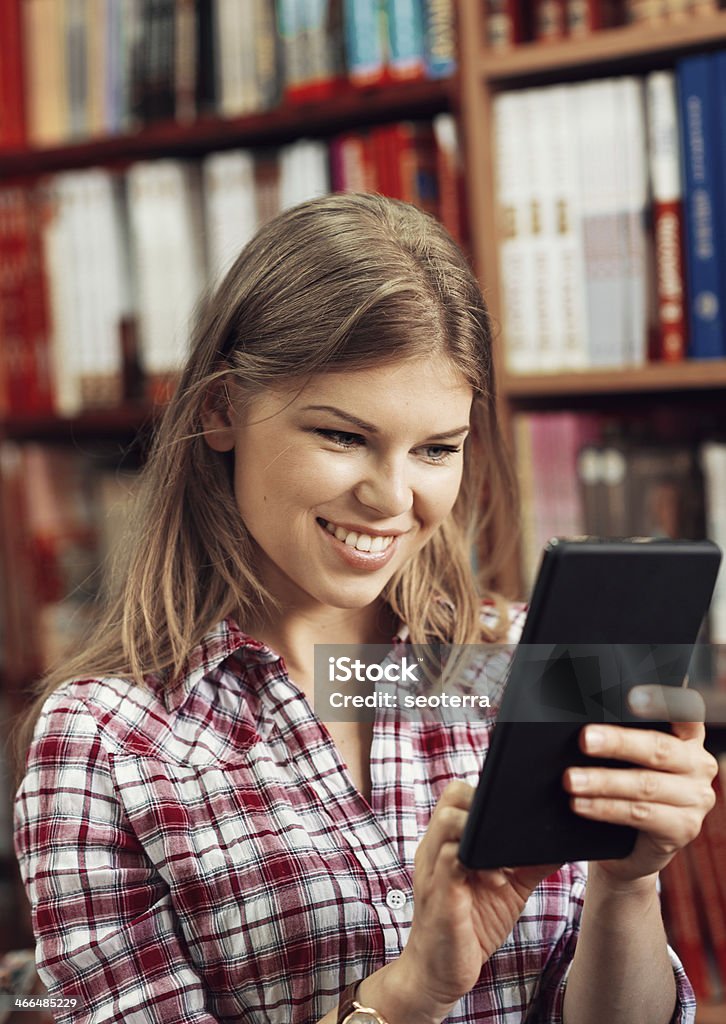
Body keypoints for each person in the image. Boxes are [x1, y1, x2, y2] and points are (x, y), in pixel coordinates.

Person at [13, 193, 716, 1024]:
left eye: (434, 450)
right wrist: (409, 993)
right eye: (343, 436)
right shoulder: (108, 742)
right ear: (220, 410)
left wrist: (627, 884)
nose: (392, 499)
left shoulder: (532, 663)